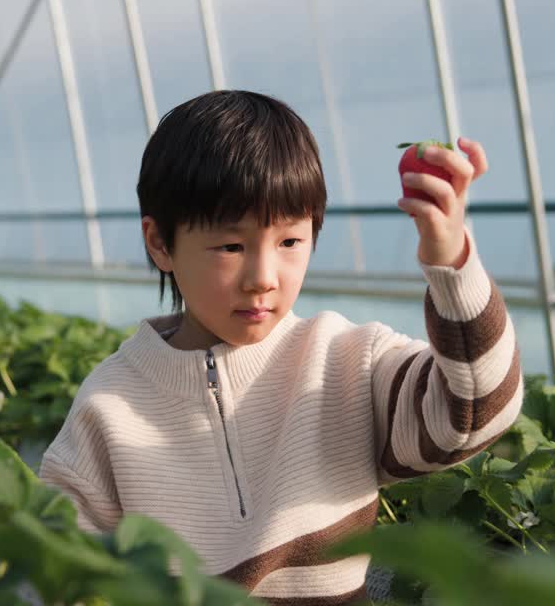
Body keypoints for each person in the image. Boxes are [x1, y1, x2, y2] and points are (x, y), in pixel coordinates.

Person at [39, 90, 522, 604]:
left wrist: (450, 258)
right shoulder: (109, 407)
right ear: (160, 243)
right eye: (231, 246)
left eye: (290, 242)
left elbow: (475, 413)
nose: (263, 278)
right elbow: (60, 576)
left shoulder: (346, 362)